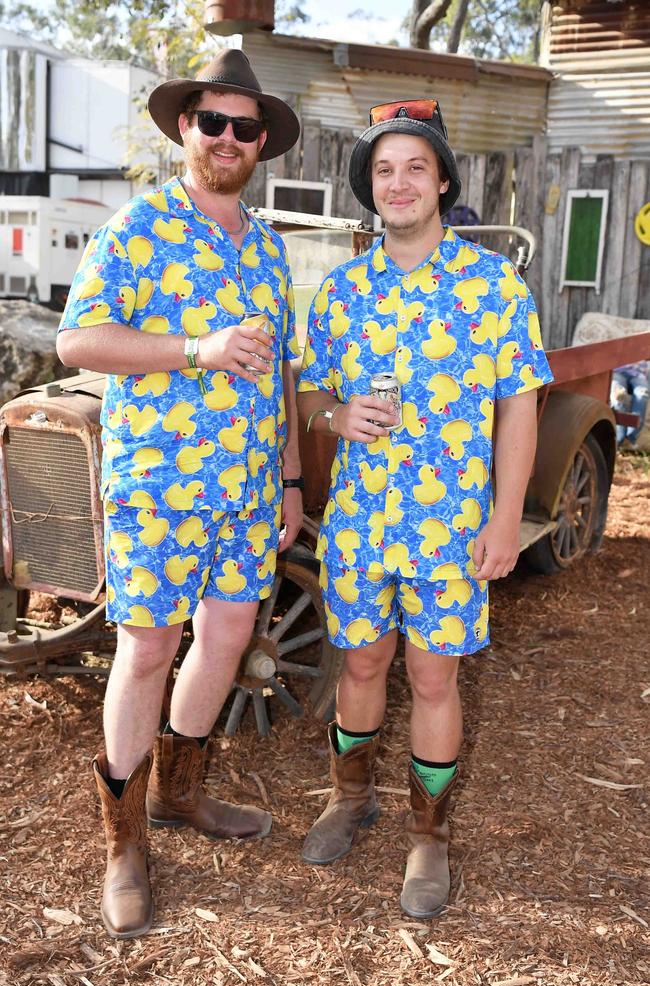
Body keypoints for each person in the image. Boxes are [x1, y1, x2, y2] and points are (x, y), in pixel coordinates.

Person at [56, 49, 303, 939]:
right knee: (149, 645)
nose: (228, 137)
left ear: (261, 141)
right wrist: (194, 349)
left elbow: (277, 377)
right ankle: (123, 843)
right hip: (159, 487)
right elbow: (76, 343)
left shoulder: (273, 251)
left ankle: (176, 793)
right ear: (185, 130)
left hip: (246, 492)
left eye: (244, 126)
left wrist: (289, 479)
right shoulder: (137, 230)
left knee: (230, 634)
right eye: (212, 122)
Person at [297, 98, 554, 919]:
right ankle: (350, 796)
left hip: (449, 526)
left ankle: (428, 836)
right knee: (363, 665)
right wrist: (331, 415)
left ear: (442, 181)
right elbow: (308, 388)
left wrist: (506, 514)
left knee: (432, 676)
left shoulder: (492, 286)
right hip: (361, 521)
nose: (399, 182)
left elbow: (521, 404)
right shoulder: (341, 291)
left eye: (415, 167)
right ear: (369, 190)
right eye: (383, 170)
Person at [610, 361, 649, 450]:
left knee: (642, 395)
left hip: (638, 373)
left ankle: (630, 437)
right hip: (618, 369)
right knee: (618, 396)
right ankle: (619, 438)